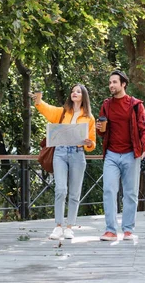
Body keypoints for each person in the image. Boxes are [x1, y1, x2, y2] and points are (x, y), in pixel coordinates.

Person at [31, 84, 96, 240]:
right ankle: (58, 226)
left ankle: (69, 227)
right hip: (60, 153)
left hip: (77, 154)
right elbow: (47, 109)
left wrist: (89, 144)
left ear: (83, 96)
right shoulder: (62, 112)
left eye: (78, 91)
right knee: (60, 189)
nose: (74, 93)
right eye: (73, 91)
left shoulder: (89, 118)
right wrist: (39, 100)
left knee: (74, 193)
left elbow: (92, 143)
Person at [96, 70, 145, 241]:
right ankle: (111, 230)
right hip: (112, 154)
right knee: (109, 190)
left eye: (114, 82)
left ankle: (128, 229)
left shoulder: (135, 105)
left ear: (123, 84)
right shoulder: (106, 105)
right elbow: (103, 132)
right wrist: (99, 129)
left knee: (130, 193)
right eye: (110, 82)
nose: (111, 85)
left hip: (131, 154)